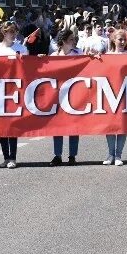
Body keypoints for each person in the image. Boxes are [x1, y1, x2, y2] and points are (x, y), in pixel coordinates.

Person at [0, 22, 28, 168]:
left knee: (13, 124)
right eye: (10, 31)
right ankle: (5, 157)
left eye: (15, 31)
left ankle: (13, 157)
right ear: (4, 33)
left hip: (15, 90)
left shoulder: (21, 48)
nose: (14, 34)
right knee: (2, 125)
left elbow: (29, 67)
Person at [50, 29, 81, 165]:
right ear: (63, 42)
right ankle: (57, 155)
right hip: (57, 95)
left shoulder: (79, 53)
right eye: (71, 40)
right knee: (58, 126)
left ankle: (72, 156)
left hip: (75, 93)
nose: (74, 42)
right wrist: (40, 59)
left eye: (74, 39)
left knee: (74, 126)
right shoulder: (54, 56)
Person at [103, 31, 127, 166]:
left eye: (124, 40)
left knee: (122, 125)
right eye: (120, 39)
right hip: (110, 92)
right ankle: (110, 154)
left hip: (126, 93)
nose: (122, 42)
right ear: (114, 40)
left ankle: (119, 155)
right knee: (110, 125)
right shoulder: (107, 56)